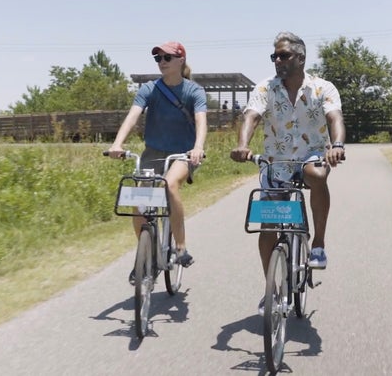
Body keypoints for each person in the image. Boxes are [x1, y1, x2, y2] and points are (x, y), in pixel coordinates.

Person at [230, 31, 346, 314]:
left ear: (301, 58)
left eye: (284, 55)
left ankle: (317, 243)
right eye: (275, 56)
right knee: (269, 225)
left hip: (313, 155)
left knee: (317, 176)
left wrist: (337, 145)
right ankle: (272, 289)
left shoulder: (323, 88)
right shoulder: (265, 88)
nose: (278, 61)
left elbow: (335, 117)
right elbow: (251, 116)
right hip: (276, 162)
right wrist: (243, 145)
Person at [108, 40, 207, 270]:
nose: (162, 62)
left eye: (167, 58)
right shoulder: (149, 89)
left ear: (180, 60)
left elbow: (201, 121)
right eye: (158, 58)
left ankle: (181, 247)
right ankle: (146, 254)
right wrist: (117, 143)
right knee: (139, 200)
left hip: (183, 154)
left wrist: (198, 147)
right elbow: (133, 116)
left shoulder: (194, 91)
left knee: (170, 185)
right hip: (152, 153)